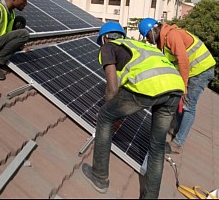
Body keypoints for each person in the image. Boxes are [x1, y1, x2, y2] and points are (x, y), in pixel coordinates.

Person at [81, 22, 185, 199]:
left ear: (105, 38)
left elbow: (113, 89)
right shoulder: (140, 45)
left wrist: (112, 111)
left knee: (105, 116)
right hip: (175, 87)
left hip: (150, 87)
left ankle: (99, 176)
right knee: (157, 145)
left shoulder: (108, 47)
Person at [138, 18, 215, 154]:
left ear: (153, 30)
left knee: (188, 105)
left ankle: (178, 143)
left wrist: (184, 86)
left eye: (148, 36)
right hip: (192, 71)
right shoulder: (162, 41)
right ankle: (176, 130)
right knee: (179, 99)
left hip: (201, 70)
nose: (148, 40)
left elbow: (183, 61)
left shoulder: (172, 36)